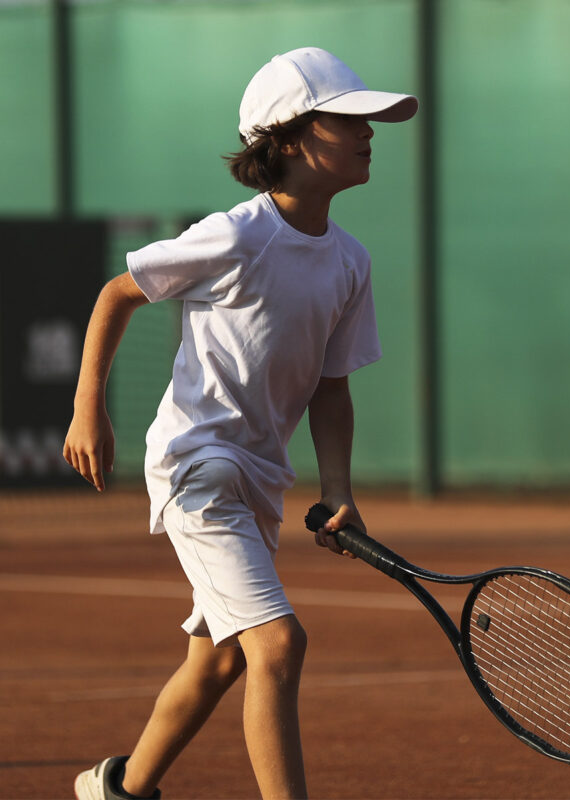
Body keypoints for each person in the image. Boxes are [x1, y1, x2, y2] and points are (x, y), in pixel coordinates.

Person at [65, 46, 418, 800]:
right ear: (288, 138)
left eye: (370, 121)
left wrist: (337, 488)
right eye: (347, 120)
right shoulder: (234, 235)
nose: (370, 132)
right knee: (279, 642)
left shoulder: (349, 263)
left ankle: (118, 788)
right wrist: (87, 405)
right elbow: (116, 294)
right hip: (196, 466)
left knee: (218, 660)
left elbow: (330, 389)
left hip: (259, 477)